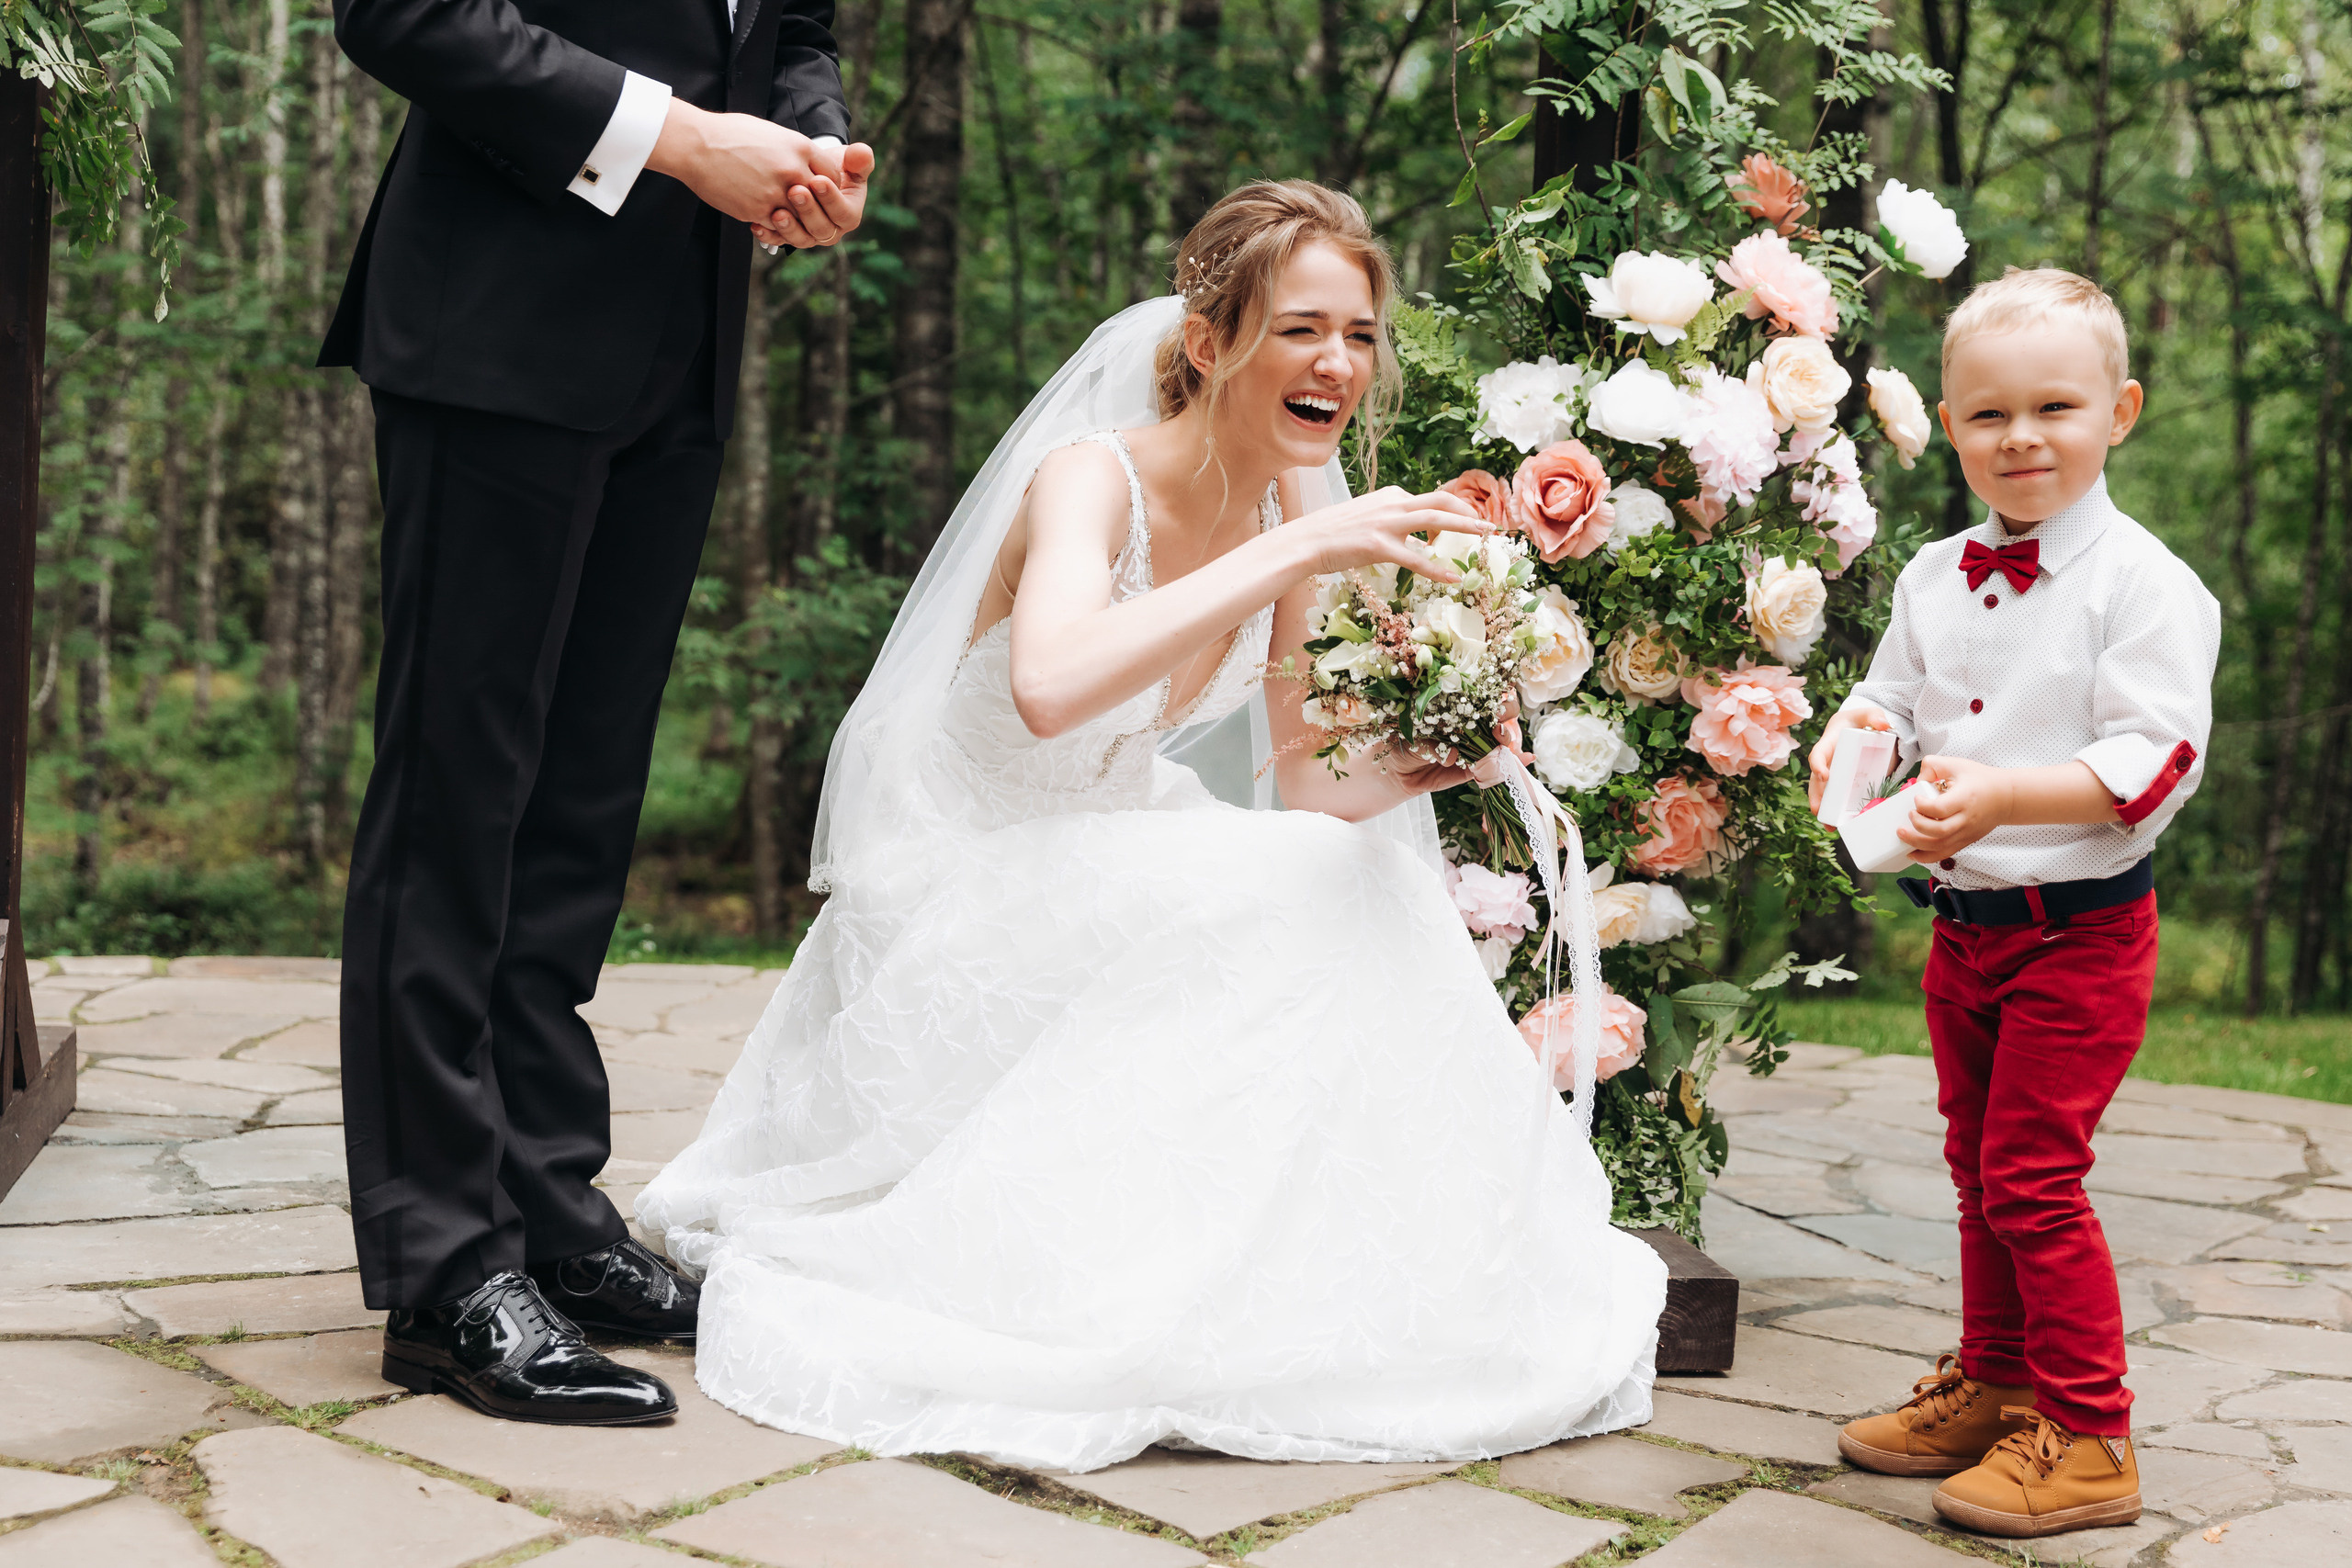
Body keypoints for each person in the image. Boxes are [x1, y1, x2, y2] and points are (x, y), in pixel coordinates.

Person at [637, 181, 1667, 1472]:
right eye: (1300, 329)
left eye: (1357, 334)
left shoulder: (1291, 512)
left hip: (1113, 856)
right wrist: (1299, 558)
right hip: (962, 886)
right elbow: (1053, 686)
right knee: (1276, 889)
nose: (1337, 365)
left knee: (1349, 871)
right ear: (1207, 342)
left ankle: (1311, 1272)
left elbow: (1302, 782)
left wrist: (1427, 765)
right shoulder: (1092, 479)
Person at [319, 0, 871, 1426]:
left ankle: (547, 1215)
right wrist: (686, 144)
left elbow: (789, 25)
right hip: (493, 325)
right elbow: (406, 15)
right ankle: (446, 1271)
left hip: (679, 343)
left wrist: (807, 144)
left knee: (577, 810)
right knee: (457, 802)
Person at [1809, 268, 2219, 1538]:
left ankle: (2091, 1433)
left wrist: (1999, 800)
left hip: (2081, 932)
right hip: (1966, 928)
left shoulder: (2145, 586)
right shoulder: (1935, 573)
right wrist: (1855, 737)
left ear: (2121, 411)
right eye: (1988, 415)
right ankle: (1995, 1385)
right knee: (1980, 1172)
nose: (2021, 438)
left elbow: (2152, 763)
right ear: (1947, 421)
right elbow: (1891, 692)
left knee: (2036, 1175)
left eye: (2056, 406)